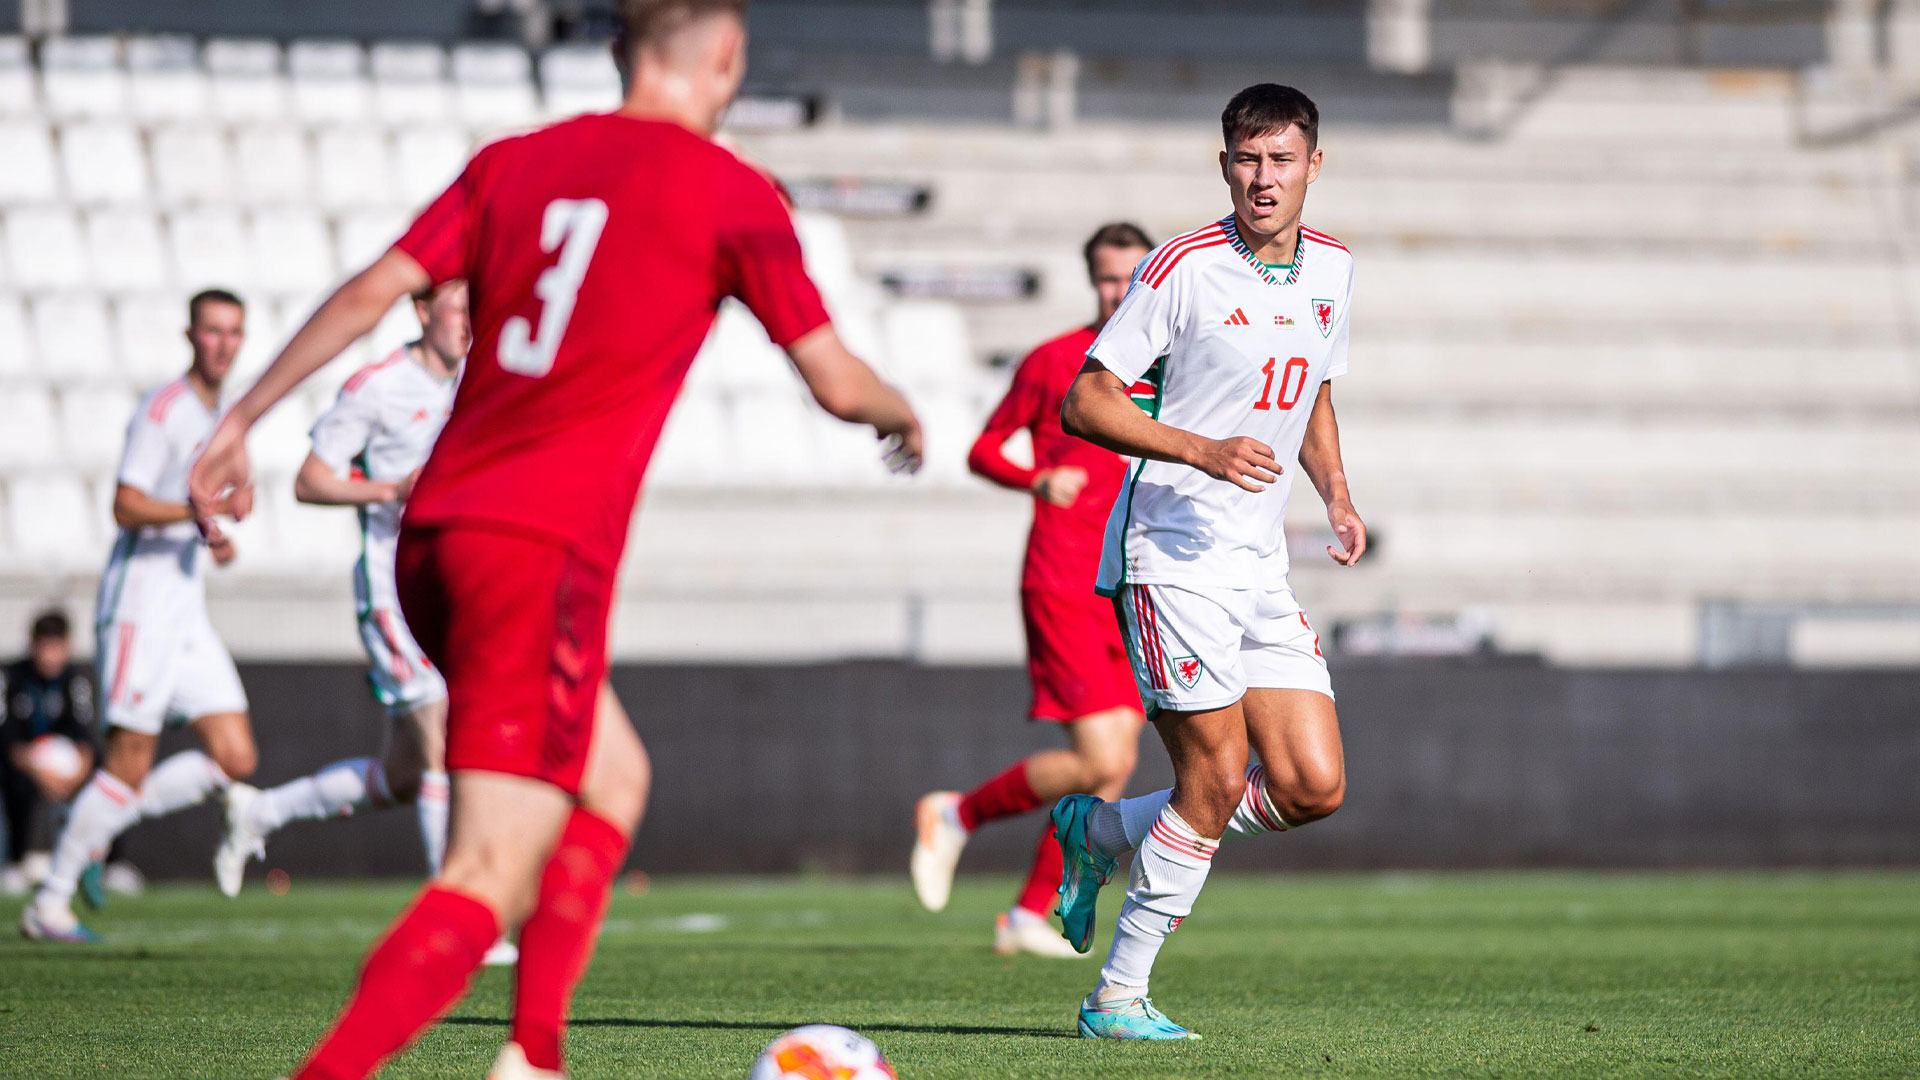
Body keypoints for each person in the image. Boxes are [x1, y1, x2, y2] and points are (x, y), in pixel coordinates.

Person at [188, 2, 922, 1077]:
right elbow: (832, 377)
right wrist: (902, 411)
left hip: (431, 539)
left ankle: (533, 1055)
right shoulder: (729, 191)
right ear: (727, 57)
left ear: (622, 49)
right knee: (484, 871)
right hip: (535, 550)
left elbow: (369, 292)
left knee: (614, 779)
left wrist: (242, 419)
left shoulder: (514, 163)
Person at [1050, 83, 1367, 1040]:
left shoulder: (1335, 269)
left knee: (1313, 786)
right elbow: (1087, 402)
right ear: (1222, 163)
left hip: (1256, 562)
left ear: (1316, 163)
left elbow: (1309, 387)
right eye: (1245, 159)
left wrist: (1337, 495)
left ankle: (1099, 830)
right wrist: (1201, 448)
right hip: (1172, 553)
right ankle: (1116, 998)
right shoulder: (1182, 266)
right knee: (1217, 778)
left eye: (1280, 160)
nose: (1262, 179)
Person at [207, 282, 515, 966]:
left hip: (456, 585)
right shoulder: (378, 386)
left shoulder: (481, 380)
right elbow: (311, 480)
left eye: (476, 308)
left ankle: (262, 813)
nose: (471, 321)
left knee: (407, 776)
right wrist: (390, 490)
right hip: (391, 587)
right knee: (443, 741)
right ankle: (457, 917)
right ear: (421, 310)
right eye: (461, 308)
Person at [909, 223, 1153, 958]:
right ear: (1091, 281)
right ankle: (956, 812)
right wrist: (1035, 478)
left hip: (1135, 582)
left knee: (1115, 762)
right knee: (1098, 757)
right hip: (1063, 576)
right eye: (1107, 279)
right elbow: (983, 447)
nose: (1118, 291)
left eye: (1130, 278)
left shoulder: (1167, 360)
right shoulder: (1055, 361)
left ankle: (1023, 913)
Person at [19, 289, 262, 944]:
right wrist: (196, 513)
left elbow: (227, 499)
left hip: (186, 609)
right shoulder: (163, 411)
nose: (222, 343)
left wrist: (222, 530)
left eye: (233, 332)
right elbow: (126, 506)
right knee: (127, 763)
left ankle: (98, 830)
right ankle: (51, 900)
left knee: (235, 757)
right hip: (139, 607)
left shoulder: (227, 416)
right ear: (191, 335)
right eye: (212, 330)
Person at [0, 610, 145, 897]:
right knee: (14, 781)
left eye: (57, 647)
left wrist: (78, 771)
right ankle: (16, 861)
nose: (51, 656)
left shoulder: (76, 680)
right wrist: (39, 771)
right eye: (45, 647)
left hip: (69, 767)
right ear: (33, 646)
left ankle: (111, 861)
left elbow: (86, 737)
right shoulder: (11, 678)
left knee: (110, 777)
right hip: (27, 766)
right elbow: (7, 740)